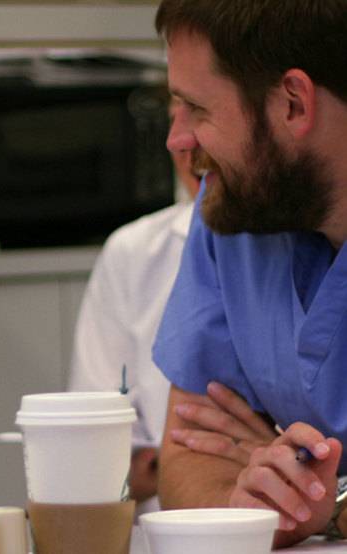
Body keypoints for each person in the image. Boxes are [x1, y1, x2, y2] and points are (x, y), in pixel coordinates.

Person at [150, 0, 347, 547]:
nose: (177, 139)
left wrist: (330, 504)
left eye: (197, 108)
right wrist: (258, 502)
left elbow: (316, 503)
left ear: (292, 103)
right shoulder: (235, 210)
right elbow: (191, 454)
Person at [68, 97, 201, 513]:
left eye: (202, 111)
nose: (178, 140)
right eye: (172, 116)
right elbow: (97, 456)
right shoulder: (135, 252)